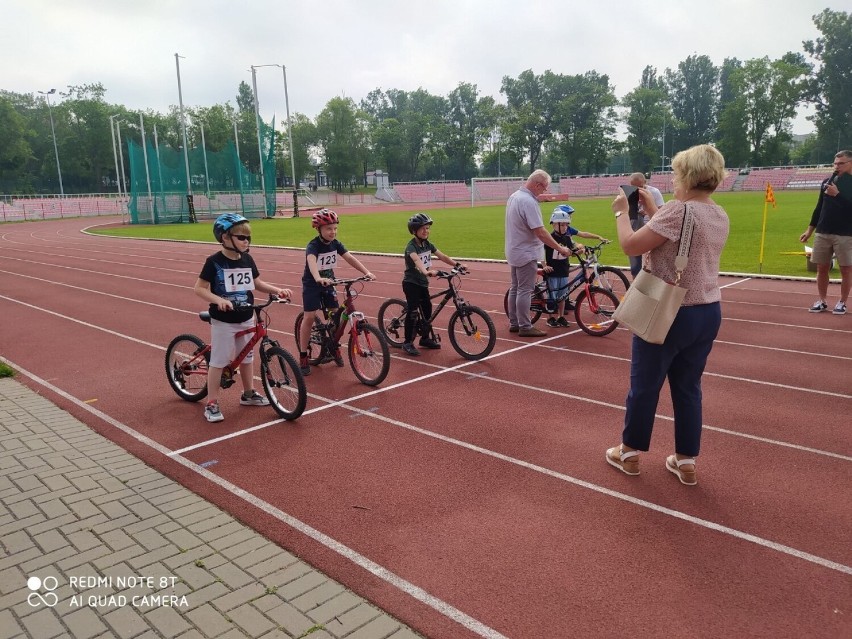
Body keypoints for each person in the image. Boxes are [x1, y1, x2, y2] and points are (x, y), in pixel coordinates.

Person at [606, 144, 730, 486]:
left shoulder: (677, 211)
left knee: (644, 385)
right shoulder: (719, 213)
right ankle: (686, 460)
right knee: (688, 387)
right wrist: (654, 209)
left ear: (688, 177)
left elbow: (631, 245)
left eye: (676, 174)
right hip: (707, 310)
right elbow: (679, 238)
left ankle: (628, 452)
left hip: (669, 309)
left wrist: (620, 212)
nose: (673, 179)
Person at [194, 213, 292, 423]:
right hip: (224, 320)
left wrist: (278, 290)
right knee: (219, 361)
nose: (246, 241)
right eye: (241, 237)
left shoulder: (247, 259)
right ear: (224, 238)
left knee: (247, 357)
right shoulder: (214, 262)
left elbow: (257, 283)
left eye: (248, 237)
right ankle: (211, 403)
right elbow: (199, 289)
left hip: (246, 315)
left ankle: (249, 393)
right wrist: (218, 299)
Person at [298, 208, 375, 375]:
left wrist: (366, 272)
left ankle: (333, 346)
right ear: (318, 229)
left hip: (329, 283)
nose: (333, 232)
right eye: (328, 229)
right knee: (309, 317)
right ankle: (303, 355)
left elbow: (349, 257)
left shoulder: (336, 244)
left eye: (335, 228)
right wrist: (318, 278)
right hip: (313, 284)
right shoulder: (313, 245)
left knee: (337, 317)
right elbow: (311, 261)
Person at [505, 170, 575, 337]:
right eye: (544, 188)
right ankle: (525, 326)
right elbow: (541, 231)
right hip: (526, 252)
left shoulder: (515, 196)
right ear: (537, 185)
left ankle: (515, 322)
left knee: (516, 288)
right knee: (524, 290)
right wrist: (561, 248)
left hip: (515, 249)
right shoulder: (528, 201)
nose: (544, 191)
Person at [400, 213, 466, 356]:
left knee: (427, 310)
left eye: (428, 228)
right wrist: (426, 271)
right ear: (414, 231)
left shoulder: (427, 244)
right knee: (413, 312)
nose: (426, 231)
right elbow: (417, 261)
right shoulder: (411, 247)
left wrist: (457, 264)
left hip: (423, 284)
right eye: (422, 228)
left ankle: (424, 338)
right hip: (411, 284)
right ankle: (407, 342)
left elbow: (442, 256)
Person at [799, 150, 852, 315]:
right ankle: (822, 300)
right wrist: (809, 230)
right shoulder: (827, 181)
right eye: (835, 163)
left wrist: (838, 195)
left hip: (845, 233)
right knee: (821, 268)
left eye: (841, 163)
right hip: (823, 231)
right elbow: (819, 207)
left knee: (846, 270)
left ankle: (842, 302)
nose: (837, 166)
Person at [542, 205, 609, 327]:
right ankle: (550, 318)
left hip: (563, 269)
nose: (565, 227)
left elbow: (571, 252)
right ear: (554, 225)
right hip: (552, 270)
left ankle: (561, 316)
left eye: (566, 225)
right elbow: (541, 252)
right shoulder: (550, 238)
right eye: (562, 225)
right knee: (552, 295)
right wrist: (544, 265)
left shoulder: (567, 238)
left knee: (563, 295)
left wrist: (579, 251)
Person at [627, 172, 666, 278]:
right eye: (633, 186)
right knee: (635, 259)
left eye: (640, 186)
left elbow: (662, 211)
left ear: (645, 182)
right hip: (636, 227)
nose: (637, 189)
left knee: (651, 262)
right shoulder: (629, 193)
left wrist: (648, 210)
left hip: (651, 226)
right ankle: (635, 282)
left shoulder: (654, 192)